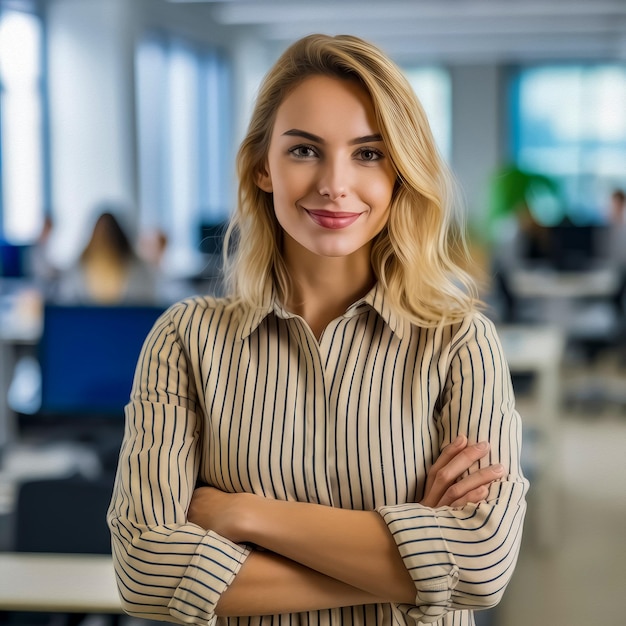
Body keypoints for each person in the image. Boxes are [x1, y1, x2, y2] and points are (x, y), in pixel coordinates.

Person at [108, 34, 528, 626]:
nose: (335, 183)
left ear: (400, 172)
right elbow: (145, 573)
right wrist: (406, 572)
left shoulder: (458, 341)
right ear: (262, 166)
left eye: (369, 153)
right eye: (305, 150)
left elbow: (482, 566)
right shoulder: (185, 340)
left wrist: (247, 515)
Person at [55, 208, 159, 304]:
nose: (105, 237)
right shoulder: (76, 270)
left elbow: (147, 303)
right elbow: (67, 301)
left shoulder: (140, 270)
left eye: (109, 232)